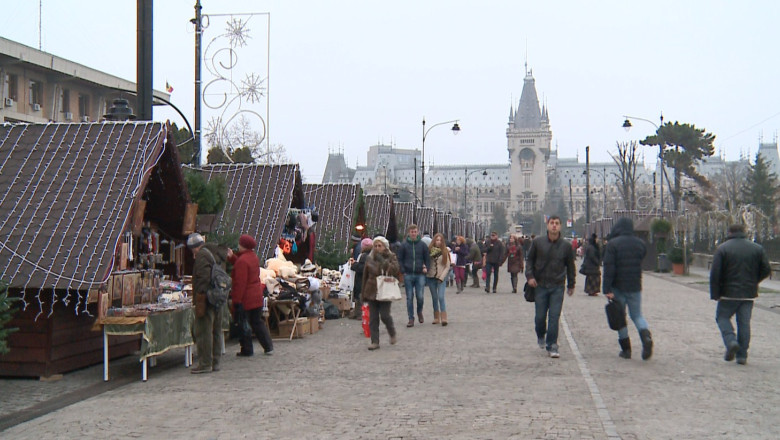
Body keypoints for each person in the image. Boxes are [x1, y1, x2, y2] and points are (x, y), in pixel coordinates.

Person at [709, 224, 771, 365]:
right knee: (744, 323)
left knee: (722, 317)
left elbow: (715, 273)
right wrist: (755, 280)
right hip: (748, 293)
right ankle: (742, 355)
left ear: (729, 232)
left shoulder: (723, 248)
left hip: (728, 293)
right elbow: (766, 268)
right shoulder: (757, 248)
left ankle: (731, 341)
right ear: (744, 232)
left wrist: (716, 293)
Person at [525, 216, 575, 358]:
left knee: (554, 316)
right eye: (552, 223)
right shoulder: (537, 243)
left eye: (557, 223)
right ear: (547, 225)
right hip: (540, 285)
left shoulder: (566, 246)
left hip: (557, 286)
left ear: (560, 226)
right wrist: (530, 276)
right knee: (540, 317)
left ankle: (552, 344)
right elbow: (529, 261)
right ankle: (541, 333)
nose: (554, 226)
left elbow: (571, 266)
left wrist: (571, 284)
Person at [602, 217, 652, 360]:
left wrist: (607, 289)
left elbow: (609, 267)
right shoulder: (640, 244)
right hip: (635, 285)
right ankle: (646, 336)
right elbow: (642, 257)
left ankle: (626, 349)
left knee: (620, 317)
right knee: (637, 315)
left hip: (618, 286)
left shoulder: (613, 244)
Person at [189, 233, 231, 373]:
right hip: (218, 296)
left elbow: (202, 278)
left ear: (194, 247)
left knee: (204, 331)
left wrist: (199, 297)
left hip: (207, 298)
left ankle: (205, 363)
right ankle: (216, 361)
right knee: (216, 330)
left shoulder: (202, 255)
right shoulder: (216, 252)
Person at [230, 234, 274, 357]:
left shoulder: (242, 261)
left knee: (243, 323)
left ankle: (247, 349)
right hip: (256, 295)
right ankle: (268, 346)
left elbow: (240, 282)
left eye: (240, 243)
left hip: (246, 297)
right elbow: (243, 265)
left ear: (243, 245)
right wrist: (232, 257)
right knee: (257, 322)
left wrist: (237, 301)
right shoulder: (253, 257)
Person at [361, 236, 400, 350]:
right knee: (373, 318)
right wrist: (363, 293)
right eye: (375, 246)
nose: (377, 248)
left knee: (385, 315)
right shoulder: (369, 258)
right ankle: (375, 341)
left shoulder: (391, 257)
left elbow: (395, 270)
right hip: (372, 289)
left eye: (379, 245)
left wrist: (383, 261)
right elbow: (365, 275)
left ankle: (391, 332)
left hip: (385, 289)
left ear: (384, 246)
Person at [396, 224, 431, 327]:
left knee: (420, 296)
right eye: (412, 232)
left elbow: (427, 258)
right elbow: (400, 258)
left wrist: (426, 268)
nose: (413, 234)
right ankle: (411, 318)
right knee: (409, 297)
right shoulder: (404, 245)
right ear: (409, 233)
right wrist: (402, 270)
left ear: (418, 232)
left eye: (415, 232)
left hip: (420, 273)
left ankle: (419, 311)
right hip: (408, 273)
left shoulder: (422, 245)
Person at [426, 233, 451, 325]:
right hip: (431, 276)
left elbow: (447, 266)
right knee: (434, 298)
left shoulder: (445, 251)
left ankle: (444, 317)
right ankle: (436, 317)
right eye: (437, 240)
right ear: (434, 241)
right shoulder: (429, 251)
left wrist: (442, 277)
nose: (438, 242)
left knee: (440, 296)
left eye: (440, 240)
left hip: (441, 277)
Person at [348, 237, 373, 319]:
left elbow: (362, 268)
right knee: (360, 296)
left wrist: (354, 265)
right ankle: (357, 313)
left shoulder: (365, 256)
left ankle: (360, 313)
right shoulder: (370, 255)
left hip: (362, 279)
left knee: (360, 296)